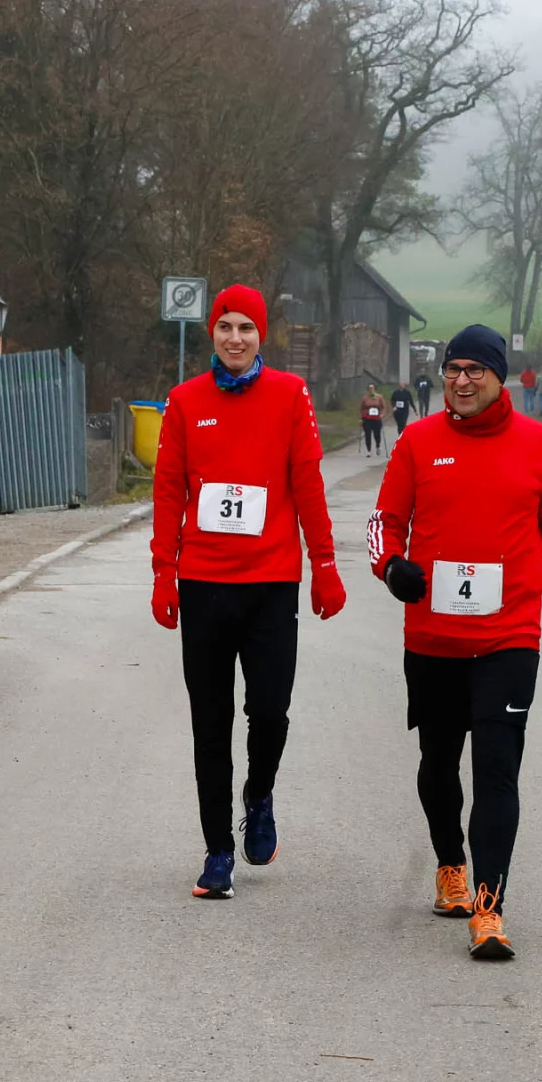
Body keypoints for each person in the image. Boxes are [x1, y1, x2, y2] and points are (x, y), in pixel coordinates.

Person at [367, 323, 542, 961]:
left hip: (508, 638)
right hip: (434, 638)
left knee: (497, 770)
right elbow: (383, 523)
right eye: (453, 369)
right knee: (439, 765)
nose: (462, 381)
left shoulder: (539, 444)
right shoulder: (418, 441)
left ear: (500, 378)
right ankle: (451, 865)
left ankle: (489, 909)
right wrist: (392, 566)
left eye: (476, 370)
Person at [150, 284, 346, 900]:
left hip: (270, 585)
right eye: (225, 326)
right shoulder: (185, 401)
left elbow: (308, 482)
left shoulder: (290, 395)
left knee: (269, 712)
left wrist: (324, 562)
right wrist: (163, 571)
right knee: (209, 723)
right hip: (204, 584)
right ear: (212, 332)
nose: (235, 338)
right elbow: (169, 490)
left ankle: (258, 795)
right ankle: (217, 851)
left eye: (246, 328)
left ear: (263, 336)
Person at [359, 384, 386, 457]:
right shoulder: (365, 398)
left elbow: (383, 407)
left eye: (372, 388)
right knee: (367, 434)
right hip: (367, 418)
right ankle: (369, 451)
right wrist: (361, 418)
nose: (371, 390)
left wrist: (382, 414)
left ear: (374, 389)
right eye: (369, 388)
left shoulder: (379, 397)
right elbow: (361, 408)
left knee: (377, 434)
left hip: (376, 418)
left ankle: (378, 446)